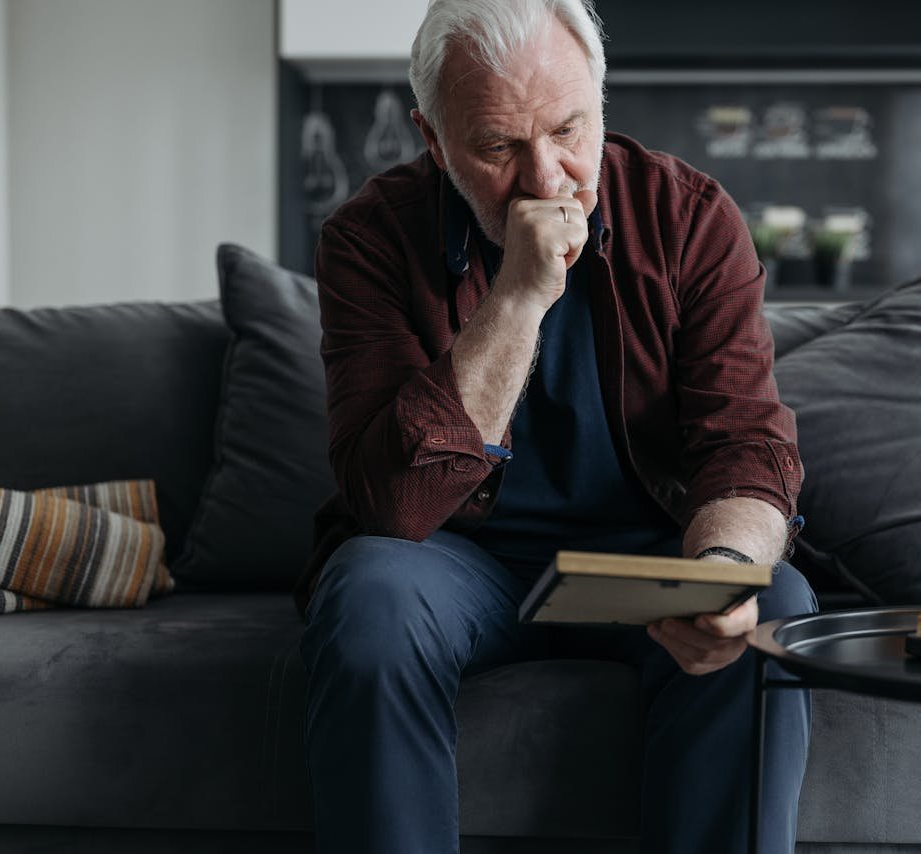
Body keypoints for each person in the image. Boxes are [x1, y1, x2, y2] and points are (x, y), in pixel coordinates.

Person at [298, 1, 816, 851]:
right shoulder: (368, 239)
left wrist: (721, 571)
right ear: (434, 140)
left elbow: (746, 446)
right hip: (457, 560)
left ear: (600, 107)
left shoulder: (689, 217)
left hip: (644, 555)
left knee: (769, 602)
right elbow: (394, 506)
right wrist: (519, 296)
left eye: (569, 131)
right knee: (368, 593)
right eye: (499, 147)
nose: (546, 180)